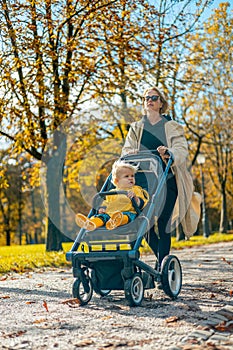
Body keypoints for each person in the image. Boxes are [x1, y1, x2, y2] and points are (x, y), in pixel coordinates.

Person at [121, 86, 201, 267]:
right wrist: (130, 152)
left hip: (167, 180)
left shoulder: (171, 126)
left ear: (161, 103)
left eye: (154, 98)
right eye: (146, 97)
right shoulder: (136, 128)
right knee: (144, 223)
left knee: (164, 224)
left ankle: (162, 266)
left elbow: (181, 149)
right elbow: (125, 151)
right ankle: (161, 264)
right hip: (142, 182)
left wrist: (169, 152)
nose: (149, 100)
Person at [75, 161, 149, 231]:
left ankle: (117, 221)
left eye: (132, 176)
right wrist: (102, 209)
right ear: (117, 181)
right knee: (102, 217)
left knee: (126, 216)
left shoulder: (136, 190)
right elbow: (106, 203)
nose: (131, 178)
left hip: (128, 213)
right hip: (110, 214)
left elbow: (142, 203)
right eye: (126, 176)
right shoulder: (112, 192)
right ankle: (92, 223)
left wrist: (135, 198)